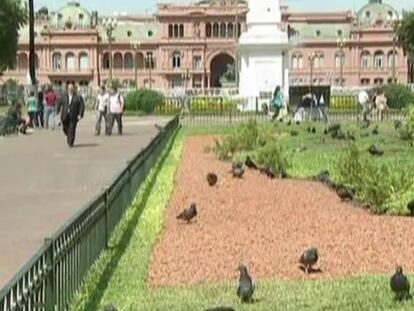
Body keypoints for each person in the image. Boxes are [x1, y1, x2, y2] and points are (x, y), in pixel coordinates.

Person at [57, 83, 85, 148]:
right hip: (65, 115)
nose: (70, 89)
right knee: (65, 128)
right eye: (69, 88)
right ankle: (69, 135)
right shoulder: (63, 96)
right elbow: (59, 103)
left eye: (72, 88)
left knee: (72, 128)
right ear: (67, 89)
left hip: (74, 115)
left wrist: (80, 114)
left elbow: (82, 106)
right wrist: (57, 111)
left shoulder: (78, 97)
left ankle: (71, 142)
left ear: (73, 89)